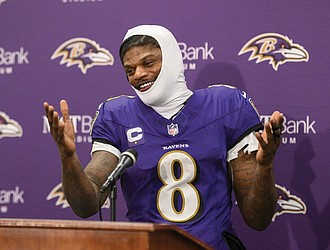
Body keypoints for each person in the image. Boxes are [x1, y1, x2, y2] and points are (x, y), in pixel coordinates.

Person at [44, 24, 284, 250]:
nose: (138, 74)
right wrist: (68, 158)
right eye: (129, 70)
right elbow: (87, 205)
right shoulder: (116, 115)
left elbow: (257, 219)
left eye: (148, 62)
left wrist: (265, 166)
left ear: (171, 59)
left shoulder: (225, 105)